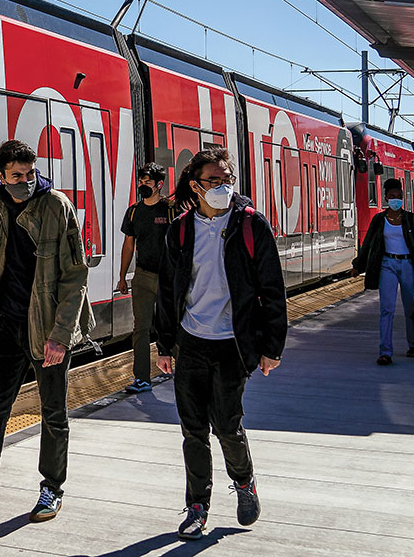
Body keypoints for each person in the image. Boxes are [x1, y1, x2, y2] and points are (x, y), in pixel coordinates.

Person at [0, 140, 94, 536]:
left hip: (46, 330)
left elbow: (75, 275)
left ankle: (52, 488)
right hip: (6, 329)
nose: (26, 182)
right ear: (0, 176)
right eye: (17, 176)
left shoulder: (57, 207)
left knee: (53, 412)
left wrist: (61, 336)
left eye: (30, 175)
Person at [154, 147, 287, 541]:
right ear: (195, 186)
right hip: (191, 342)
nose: (224, 186)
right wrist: (163, 344)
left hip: (232, 343)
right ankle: (197, 506)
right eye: (215, 181)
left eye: (228, 179)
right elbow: (167, 290)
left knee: (227, 425)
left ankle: (244, 482)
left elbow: (272, 290)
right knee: (192, 430)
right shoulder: (180, 230)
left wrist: (271, 347)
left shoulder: (251, 226)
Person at [351, 178, 414, 365]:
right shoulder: (379, 220)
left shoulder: (411, 220)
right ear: (386, 198)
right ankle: (385, 351)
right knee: (386, 309)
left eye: (399, 196)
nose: (396, 199)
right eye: (392, 196)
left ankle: (413, 344)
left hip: (408, 265)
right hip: (387, 264)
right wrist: (358, 265)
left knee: (410, 307)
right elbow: (368, 244)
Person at [118, 163, 175, 393]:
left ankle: (181, 371)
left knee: (170, 324)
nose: (143, 185)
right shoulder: (133, 211)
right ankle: (141, 378)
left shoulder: (171, 209)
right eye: (141, 181)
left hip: (168, 279)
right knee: (140, 328)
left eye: (147, 182)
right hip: (142, 276)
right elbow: (128, 245)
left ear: (159, 184)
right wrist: (122, 276)